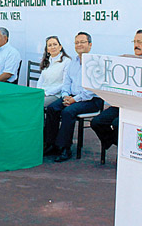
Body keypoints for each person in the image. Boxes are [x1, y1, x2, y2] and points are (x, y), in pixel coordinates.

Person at [90, 29, 142, 150]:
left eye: (140, 42)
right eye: (134, 42)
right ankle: (117, 144)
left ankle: (127, 151)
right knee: (97, 122)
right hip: (122, 104)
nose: (136, 45)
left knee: (117, 123)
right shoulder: (127, 62)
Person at [44, 32, 104, 162]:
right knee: (52, 109)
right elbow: (66, 83)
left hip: (91, 100)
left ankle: (65, 148)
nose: (79, 45)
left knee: (68, 112)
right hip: (72, 96)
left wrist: (74, 100)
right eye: (77, 42)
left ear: (90, 44)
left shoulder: (96, 64)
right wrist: (65, 96)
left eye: (82, 42)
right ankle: (51, 144)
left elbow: (90, 91)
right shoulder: (73, 62)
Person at [36, 36, 71, 107]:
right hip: (43, 93)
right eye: (50, 45)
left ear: (60, 47)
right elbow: (41, 80)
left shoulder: (66, 61)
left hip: (56, 95)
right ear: (47, 50)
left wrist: (47, 93)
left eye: (55, 44)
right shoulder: (47, 61)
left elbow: (65, 83)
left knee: (36, 104)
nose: (53, 47)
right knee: (27, 101)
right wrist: (39, 91)